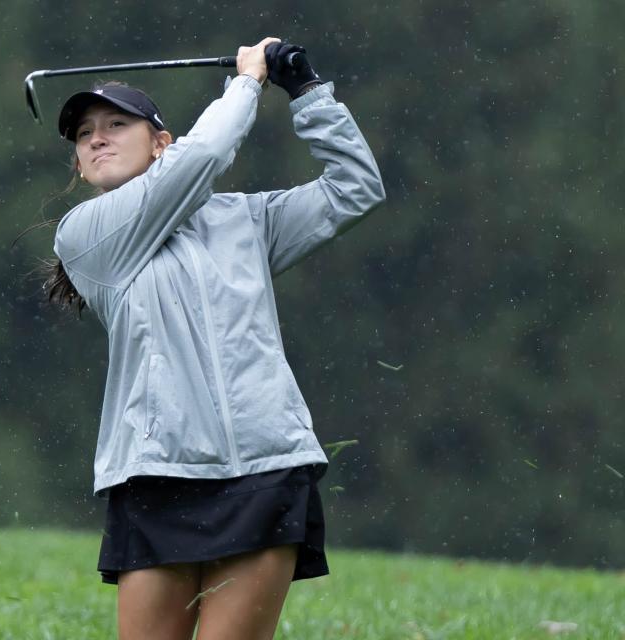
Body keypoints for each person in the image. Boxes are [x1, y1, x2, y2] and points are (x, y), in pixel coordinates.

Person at [45, 36, 385, 639]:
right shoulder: (86, 236)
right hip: (157, 476)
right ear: (77, 162)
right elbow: (202, 158)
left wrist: (307, 93)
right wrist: (248, 82)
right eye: (83, 133)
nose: (96, 137)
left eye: (116, 124)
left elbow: (354, 187)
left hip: (268, 467)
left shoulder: (245, 222)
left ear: (159, 143)